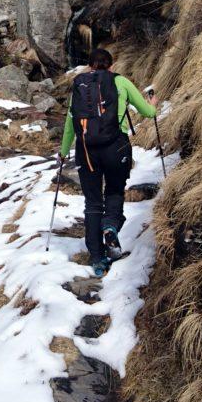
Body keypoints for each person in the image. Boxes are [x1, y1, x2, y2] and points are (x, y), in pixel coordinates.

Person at [59, 47, 157, 277]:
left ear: (89, 66)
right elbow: (147, 112)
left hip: (86, 152)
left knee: (93, 204)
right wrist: (152, 102)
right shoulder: (120, 82)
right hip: (117, 148)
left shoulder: (80, 86)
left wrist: (64, 152)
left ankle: (97, 259)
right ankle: (110, 226)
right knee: (114, 192)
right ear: (111, 65)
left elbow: (69, 123)